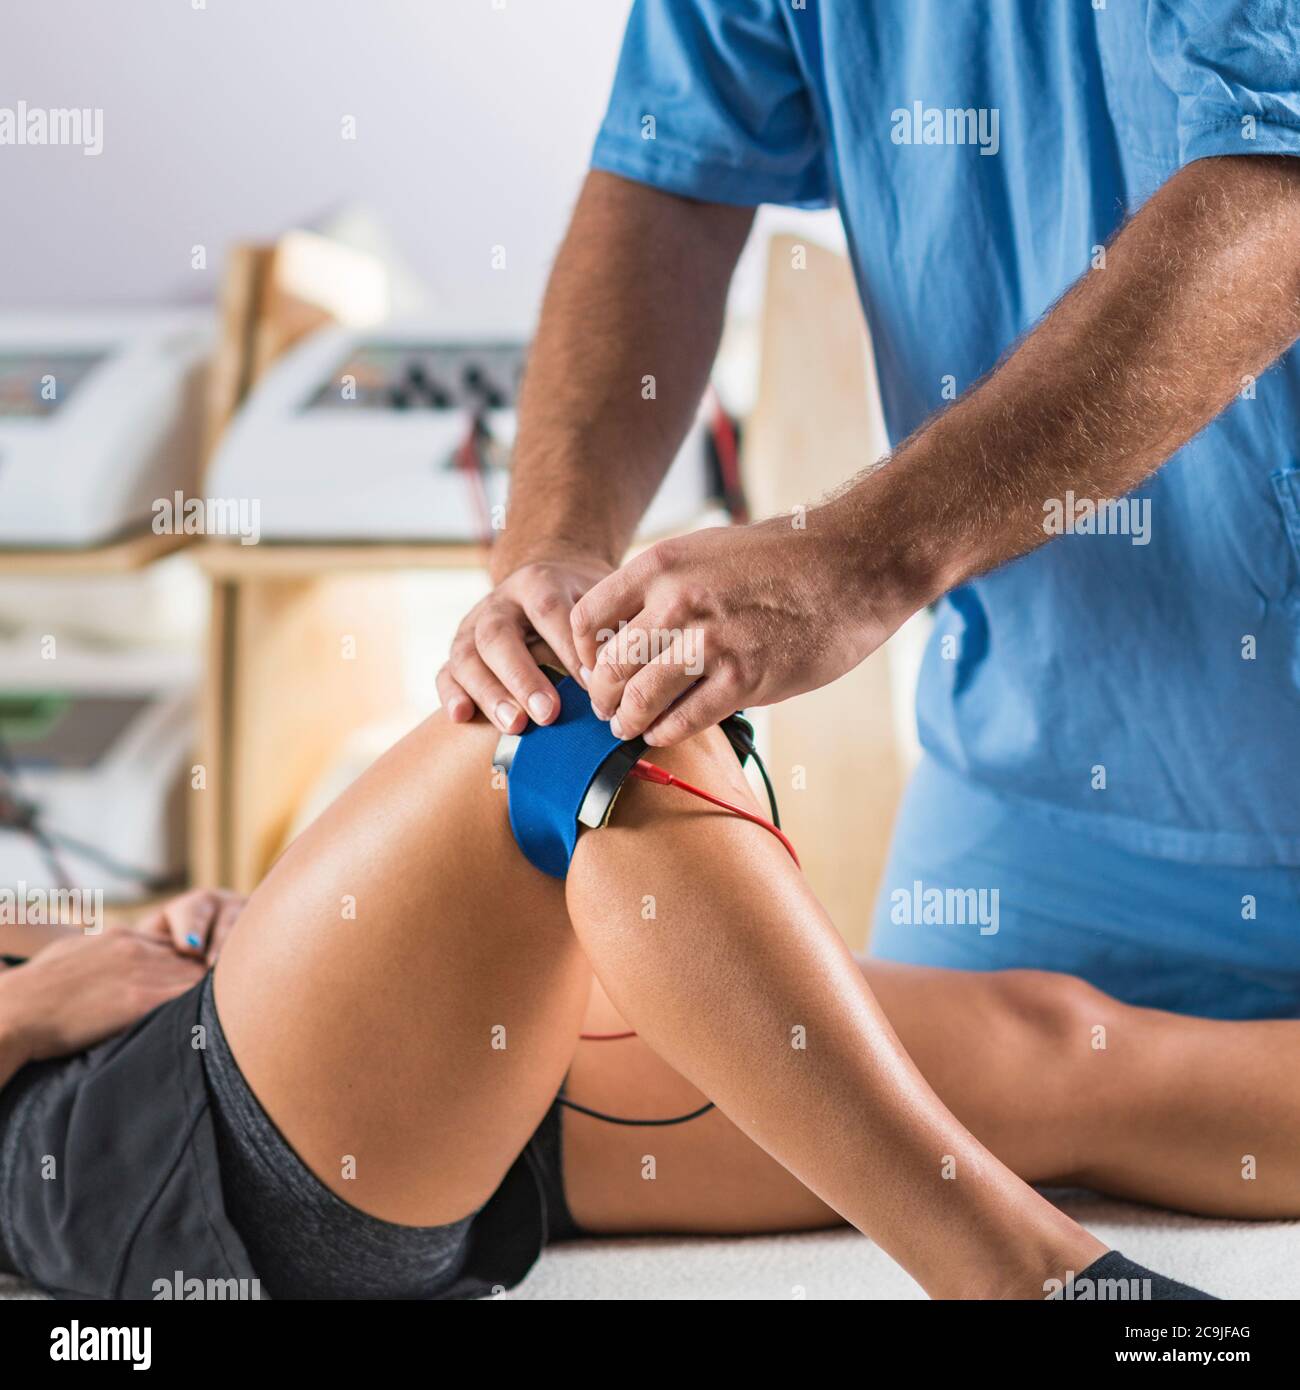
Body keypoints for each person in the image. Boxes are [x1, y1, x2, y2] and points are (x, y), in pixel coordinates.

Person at [436, 1, 1300, 1019]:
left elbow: (1275, 195)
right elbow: (668, 174)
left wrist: (857, 559)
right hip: (1035, 786)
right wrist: (555, 546)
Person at [8, 691, 1298, 1300]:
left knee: (1058, 1044)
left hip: (347, 1079)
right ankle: (1023, 1283)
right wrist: (31, 1010)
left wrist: (135, 936)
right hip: (155, 1146)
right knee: (565, 726)